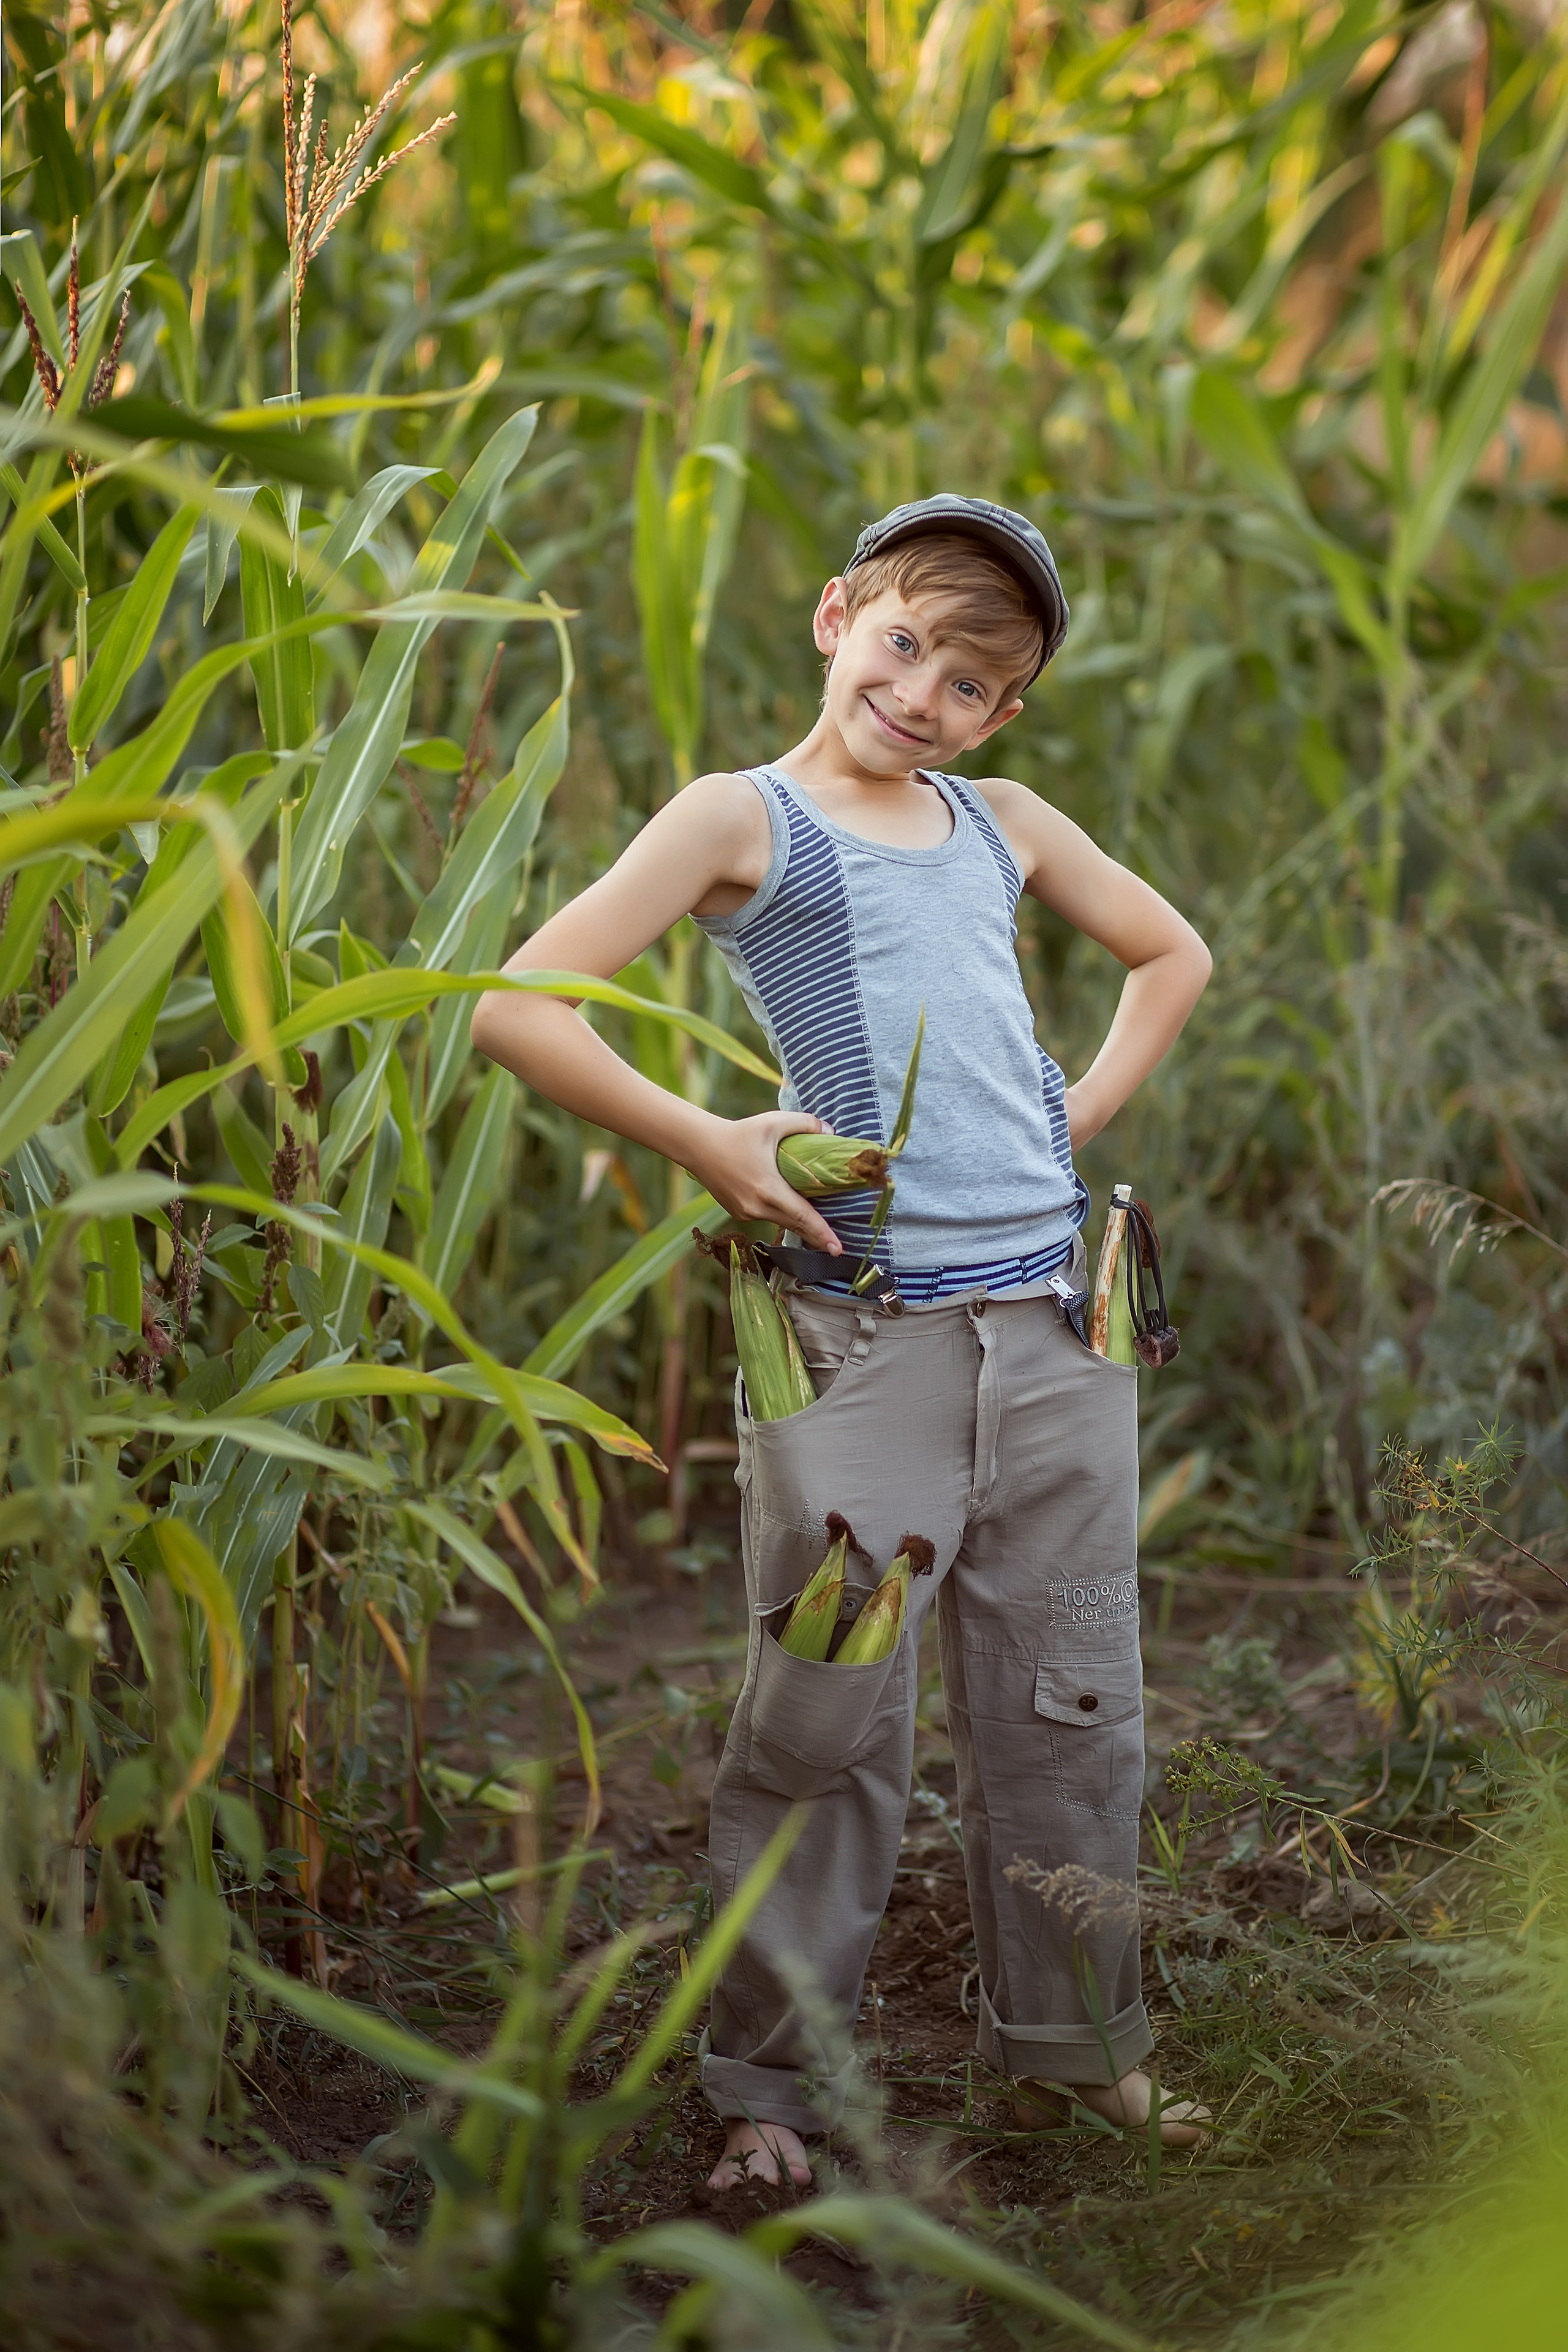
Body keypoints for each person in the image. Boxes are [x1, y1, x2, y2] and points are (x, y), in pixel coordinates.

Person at [471, 494, 1214, 2189]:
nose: (921, 697)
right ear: (835, 619)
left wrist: (1074, 1117)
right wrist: (710, 1143)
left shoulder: (1000, 820)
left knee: (1072, 1700)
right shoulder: (745, 819)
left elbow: (1172, 953)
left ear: (1004, 716)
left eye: (969, 684)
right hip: (864, 1344)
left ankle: (1079, 2052)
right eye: (904, 645)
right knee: (824, 1713)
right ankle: (770, 2086)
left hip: (1056, 1329)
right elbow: (517, 1003)